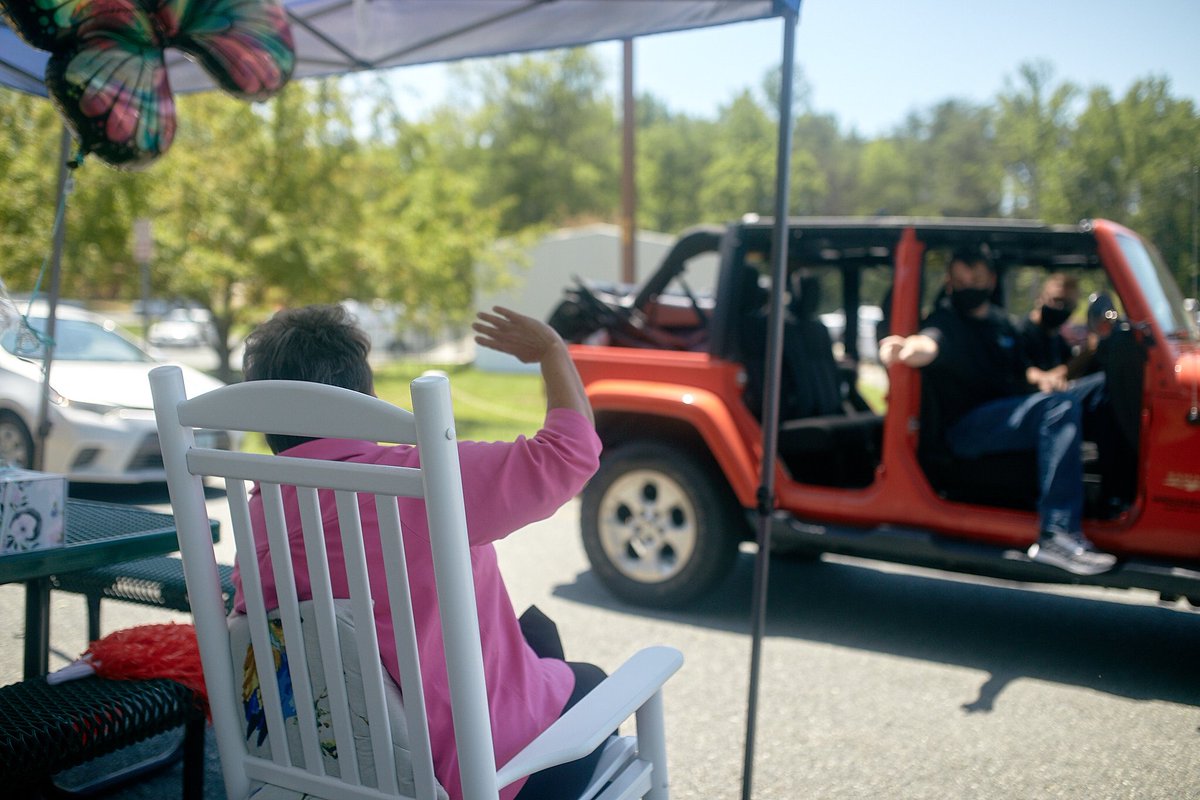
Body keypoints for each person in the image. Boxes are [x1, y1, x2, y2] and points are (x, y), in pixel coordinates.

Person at [233, 304, 605, 800]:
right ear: (362, 396)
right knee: (593, 682)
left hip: (344, 770)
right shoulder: (418, 480)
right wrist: (552, 352)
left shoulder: (262, 511)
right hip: (480, 773)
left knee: (536, 635)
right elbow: (570, 453)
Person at [878, 246, 1116, 576]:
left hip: (1009, 413)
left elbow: (1023, 372)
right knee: (1058, 407)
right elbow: (929, 344)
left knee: (1103, 385)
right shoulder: (947, 321)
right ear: (949, 283)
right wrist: (904, 348)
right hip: (967, 428)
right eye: (959, 280)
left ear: (990, 279)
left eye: (974, 278)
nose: (967, 287)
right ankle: (1057, 533)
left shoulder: (1003, 323)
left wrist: (1049, 378)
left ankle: (1117, 499)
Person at [1017, 272, 1080, 387]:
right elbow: (1023, 370)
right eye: (1056, 300)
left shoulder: (1057, 337)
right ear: (1040, 298)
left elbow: (1068, 366)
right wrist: (1044, 378)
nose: (1061, 307)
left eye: (1068, 304)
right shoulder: (1021, 332)